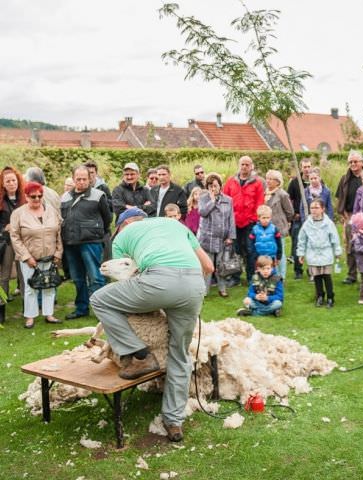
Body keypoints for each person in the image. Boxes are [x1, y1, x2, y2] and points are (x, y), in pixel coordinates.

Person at [90, 212, 213, 442]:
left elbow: (125, 278)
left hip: (157, 280)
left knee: (99, 299)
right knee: (179, 354)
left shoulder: (123, 235)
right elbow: (208, 265)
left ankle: (138, 352)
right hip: (194, 285)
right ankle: (174, 421)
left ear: (124, 224)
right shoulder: (174, 224)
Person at [61, 165, 112, 319]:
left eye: (85, 179)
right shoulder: (65, 197)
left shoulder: (98, 195)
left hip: (91, 242)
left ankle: (102, 310)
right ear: (73, 179)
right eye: (78, 179)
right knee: (77, 278)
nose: (82, 182)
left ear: (90, 179)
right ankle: (81, 309)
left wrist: (93, 231)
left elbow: (107, 218)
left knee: (96, 277)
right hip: (71, 243)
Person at [10, 182, 63, 328]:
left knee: (50, 285)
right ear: (26, 196)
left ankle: (49, 314)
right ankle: (30, 316)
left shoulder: (51, 210)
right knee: (30, 288)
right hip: (30, 258)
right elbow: (15, 237)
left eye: (40, 196)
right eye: (33, 196)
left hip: (50, 256)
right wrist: (26, 257)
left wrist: (58, 252)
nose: (37, 199)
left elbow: (58, 232)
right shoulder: (18, 214)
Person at [223, 156, 264, 283]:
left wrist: (254, 219)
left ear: (251, 166)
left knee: (250, 249)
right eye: (242, 164)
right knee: (235, 250)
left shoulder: (257, 183)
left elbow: (260, 202)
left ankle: (251, 276)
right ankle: (235, 277)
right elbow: (225, 199)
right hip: (234, 222)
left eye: (247, 164)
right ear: (239, 165)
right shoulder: (231, 181)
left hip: (249, 222)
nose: (244, 167)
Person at [297, 199, 342, 308]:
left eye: (316, 208)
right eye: (312, 208)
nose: (314, 210)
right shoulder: (307, 224)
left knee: (326, 276)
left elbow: (334, 238)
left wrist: (337, 251)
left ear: (322, 209)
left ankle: (330, 297)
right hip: (313, 252)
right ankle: (320, 296)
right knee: (316, 276)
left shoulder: (328, 223)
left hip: (325, 252)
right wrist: (301, 253)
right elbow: (302, 239)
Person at [197, 173, 236, 298]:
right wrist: (212, 201)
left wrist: (231, 236)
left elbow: (231, 219)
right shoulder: (203, 198)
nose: (213, 188)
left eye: (215, 186)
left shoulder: (228, 200)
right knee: (208, 266)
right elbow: (202, 212)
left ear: (220, 186)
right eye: (210, 186)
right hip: (207, 238)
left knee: (221, 265)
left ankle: (222, 288)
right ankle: (204, 290)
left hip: (222, 238)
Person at [335, 150, 363, 284]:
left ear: (361, 163)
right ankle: (351, 275)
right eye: (350, 162)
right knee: (350, 247)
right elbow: (339, 197)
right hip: (349, 216)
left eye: (355, 161)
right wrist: (344, 216)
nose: (352, 164)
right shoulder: (344, 179)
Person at [0, 166, 26, 303]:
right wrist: (4, 227)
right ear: (3, 183)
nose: (11, 183)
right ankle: (2, 305)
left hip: (22, 241)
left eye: (13, 180)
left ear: (18, 181)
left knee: (23, 274)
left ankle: (26, 304)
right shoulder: (1, 201)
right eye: (8, 181)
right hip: (7, 242)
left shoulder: (24, 198)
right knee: (5, 274)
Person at [264, 169, 294, 280]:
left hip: (278, 228)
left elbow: (290, 212)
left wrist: (285, 222)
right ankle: (271, 274)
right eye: (267, 178)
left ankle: (282, 276)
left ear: (278, 181)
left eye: (271, 179)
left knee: (279, 253)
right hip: (266, 228)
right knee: (268, 252)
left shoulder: (282, 194)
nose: (268, 181)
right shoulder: (264, 192)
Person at [287, 158, 312, 280]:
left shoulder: (316, 181)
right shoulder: (295, 182)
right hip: (298, 218)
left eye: (309, 167)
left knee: (313, 244)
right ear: (301, 168)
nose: (307, 169)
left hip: (313, 218)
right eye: (304, 167)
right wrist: (293, 214)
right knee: (298, 244)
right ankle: (298, 270)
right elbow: (289, 200)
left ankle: (312, 270)